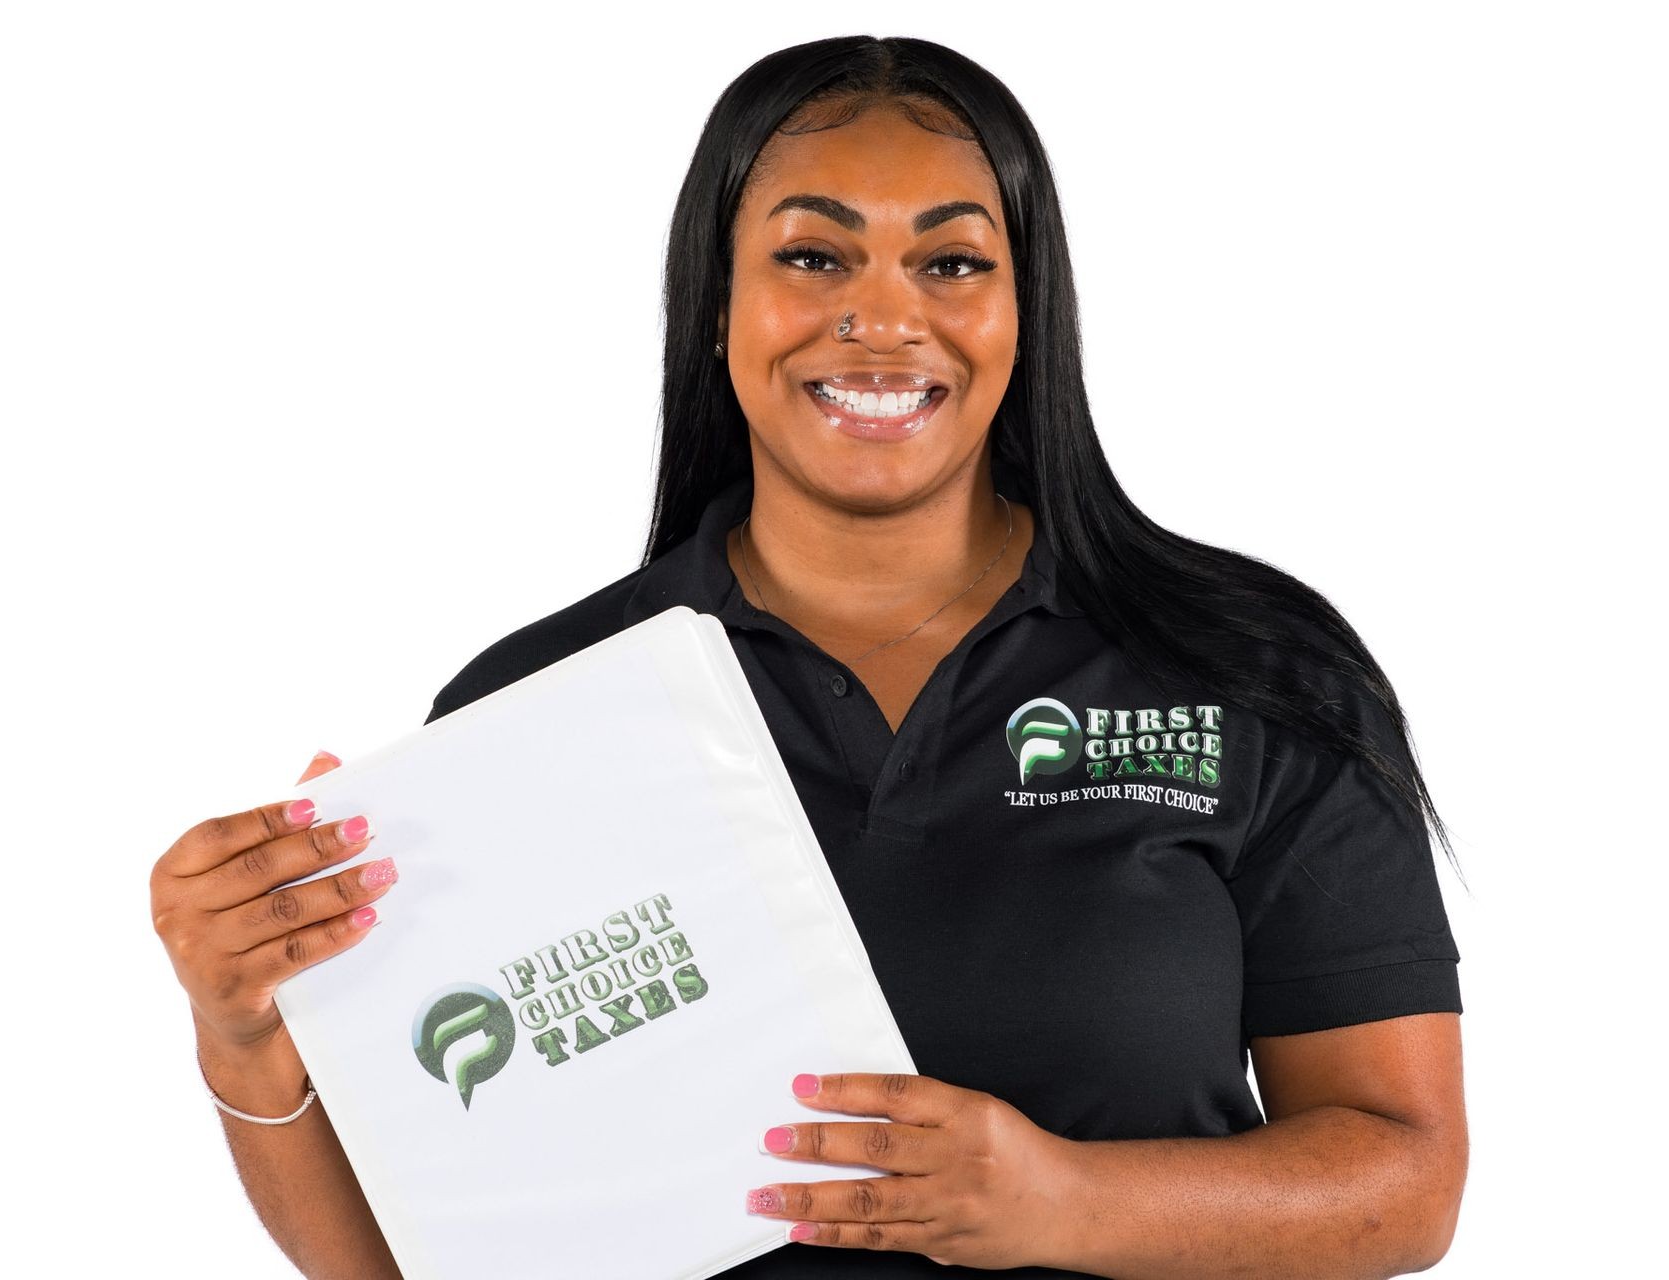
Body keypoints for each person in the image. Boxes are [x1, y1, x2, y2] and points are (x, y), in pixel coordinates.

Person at [150, 34, 1467, 1279]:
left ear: (1029, 308)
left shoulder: (1252, 672)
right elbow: (415, 1262)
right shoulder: (535, 718)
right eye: (815, 259)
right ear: (719, 299)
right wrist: (246, 1026)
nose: (883, 321)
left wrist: (1057, 1199)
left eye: (950, 263)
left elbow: (1406, 1185)